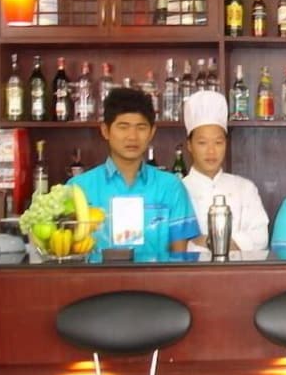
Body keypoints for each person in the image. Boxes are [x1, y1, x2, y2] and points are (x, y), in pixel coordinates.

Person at [73, 87, 199, 261]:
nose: (132, 136)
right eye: (123, 127)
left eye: (141, 127)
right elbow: (68, 258)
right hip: (94, 279)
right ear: (105, 130)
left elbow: (180, 260)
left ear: (152, 132)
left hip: (156, 279)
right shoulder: (78, 188)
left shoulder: (170, 187)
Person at [181, 90, 270, 260]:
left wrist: (207, 242)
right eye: (202, 143)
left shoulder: (245, 188)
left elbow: (260, 238)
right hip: (191, 275)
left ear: (226, 144)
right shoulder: (178, 190)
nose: (211, 151)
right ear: (189, 145)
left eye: (218, 142)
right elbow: (175, 245)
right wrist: (236, 242)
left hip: (239, 274)